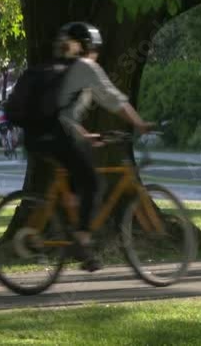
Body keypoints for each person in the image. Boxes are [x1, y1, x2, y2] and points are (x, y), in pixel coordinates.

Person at [22, 22, 152, 272]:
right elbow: (113, 99)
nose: (95, 55)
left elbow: (62, 112)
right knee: (94, 183)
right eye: (94, 49)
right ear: (88, 47)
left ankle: (69, 236)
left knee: (75, 184)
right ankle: (81, 242)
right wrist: (139, 123)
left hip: (40, 135)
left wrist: (84, 135)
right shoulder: (85, 67)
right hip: (56, 134)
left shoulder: (59, 68)